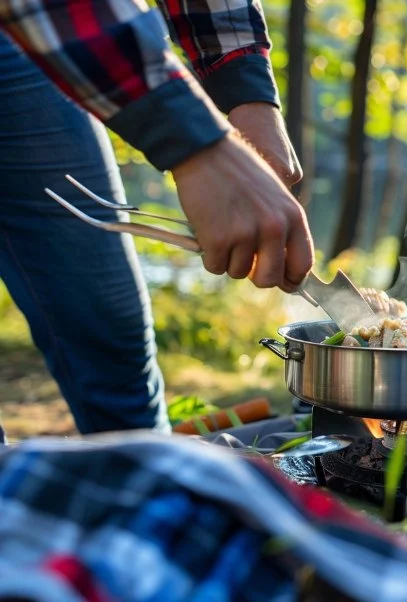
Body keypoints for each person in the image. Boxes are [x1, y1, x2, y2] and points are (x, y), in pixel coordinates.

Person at [0, 1, 313, 440]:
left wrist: (249, 96)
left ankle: (153, 481)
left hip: (23, 47)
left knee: (107, 321)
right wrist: (198, 146)